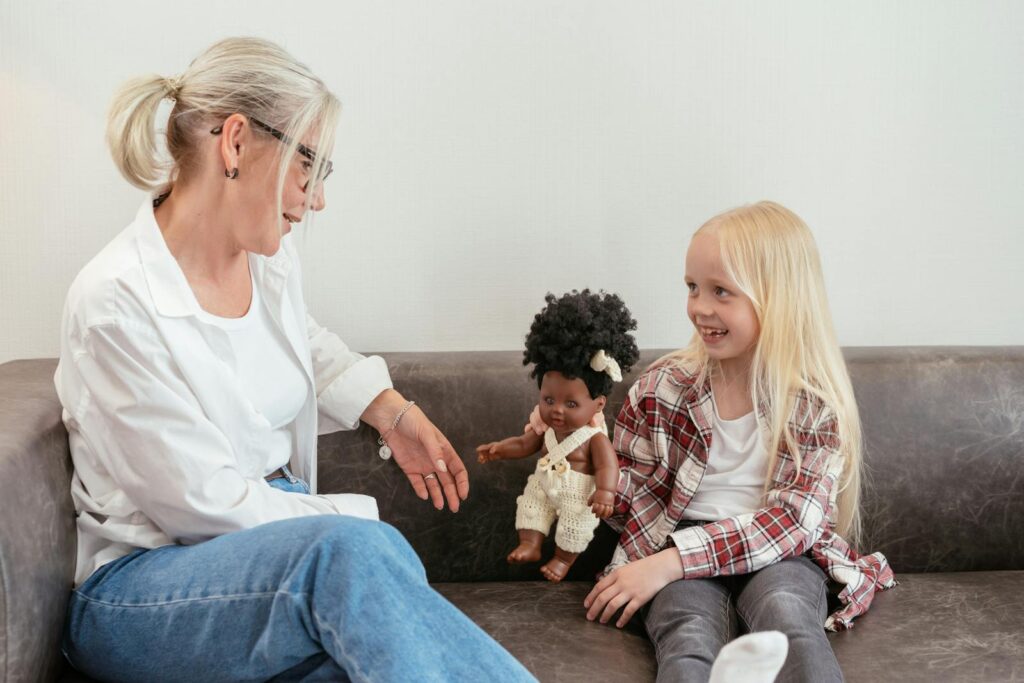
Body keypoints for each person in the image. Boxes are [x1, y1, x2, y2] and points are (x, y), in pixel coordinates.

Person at [54, 37, 535, 682]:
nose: (316, 199)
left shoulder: (268, 259)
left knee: (357, 663)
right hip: (142, 589)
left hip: (266, 571)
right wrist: (351, 523)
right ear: (236, 143)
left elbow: (303, 341)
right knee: (353, 558)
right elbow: (203, 505)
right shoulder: (115, 305)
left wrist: (392, 411)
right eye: (310, 167)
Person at [575, 202, 896, 681]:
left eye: (721, 291)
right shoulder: (662, 386)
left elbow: (793, 521)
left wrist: (672, 562)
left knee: (789, 619)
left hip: (779, 553)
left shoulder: (812, 404)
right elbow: (631, 501)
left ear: (778, 298)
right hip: (674, 543)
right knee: (687, 636)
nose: (700, 307)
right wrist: (588, 464)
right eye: (692, 287)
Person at [476, 289, 639, 582]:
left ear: (598, 404)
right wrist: (500, 449)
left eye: (571, 404)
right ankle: (531, 543)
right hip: (544, 482)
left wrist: (605, 492)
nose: (557, 411)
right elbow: (525, 443)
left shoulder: (593, 436)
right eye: (549, 400)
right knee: (530, 505)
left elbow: (607, 465)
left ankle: (563, 561)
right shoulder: (545, 426)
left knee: (574, 529)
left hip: (579, 496)